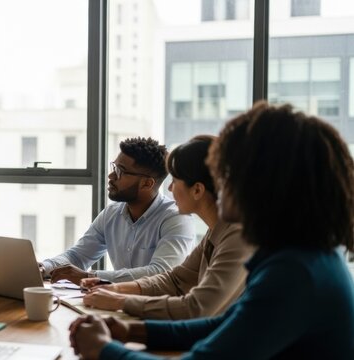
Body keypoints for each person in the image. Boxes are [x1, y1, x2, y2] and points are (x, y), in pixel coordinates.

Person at [69, 102, 354, 359]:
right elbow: (228, 324)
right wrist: (132, 331)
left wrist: (103, 349)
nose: (218, 185)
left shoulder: (294, 273)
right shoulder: (300, 256)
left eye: (224, 173)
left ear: (260, 184)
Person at [80, 135, 253, 320]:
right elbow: (175, 280)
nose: (170, 188)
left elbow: (196, 308)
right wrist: (114, 288)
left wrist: (120, 301)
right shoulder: (216, 231)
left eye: (175, 181)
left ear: (197, 190)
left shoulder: (238, 236)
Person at [40, 137, 195, 284]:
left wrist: (90, 277)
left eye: (120, 171)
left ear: (147, 184)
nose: (111, 175)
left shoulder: (176, 218)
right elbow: (77, 256)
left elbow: (160, 273)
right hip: (119, 302)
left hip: (160, 307)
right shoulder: (111, 214)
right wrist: (44, 267)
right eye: (114, 167)